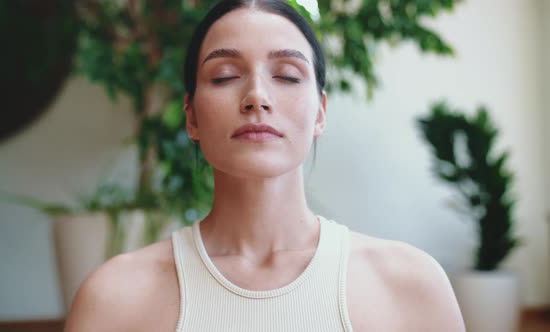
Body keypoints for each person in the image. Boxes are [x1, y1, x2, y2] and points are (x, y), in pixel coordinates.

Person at [64, 1, 466, 331]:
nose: (257, 96)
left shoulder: (411, 287)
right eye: (224, 76)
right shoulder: (113, 299)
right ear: (191, 117)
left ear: (320, 113)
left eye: (287, 76)